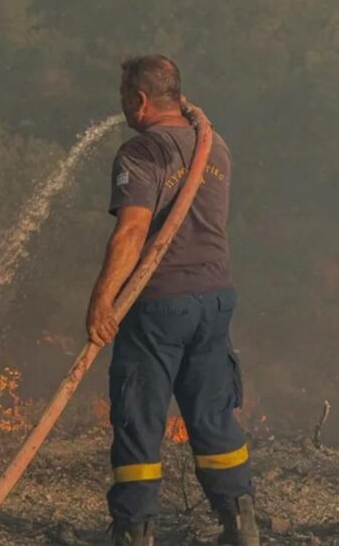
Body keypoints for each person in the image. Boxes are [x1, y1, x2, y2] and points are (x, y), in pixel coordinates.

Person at [86, 55, 259, 545]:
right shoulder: (214, 146)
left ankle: (136, 532)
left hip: (159, 305)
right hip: (215, 300)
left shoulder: (142, 152)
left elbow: (133, 230)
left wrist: (102, 301)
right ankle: (241, 522)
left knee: (139, 417)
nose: (121, 108)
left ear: (140, 100)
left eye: (124, 98)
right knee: (211, 415)